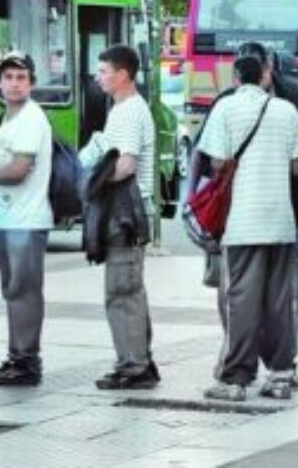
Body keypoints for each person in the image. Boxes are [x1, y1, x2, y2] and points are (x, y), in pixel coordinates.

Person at [200, 52, 298, 402]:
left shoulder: (225, 109)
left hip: (242, 222)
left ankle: (236, 379)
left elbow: (216, 162)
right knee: (280, 300)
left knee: (241, 300)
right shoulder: (287, 111)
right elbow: (296, 168)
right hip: (281, 221)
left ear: (235, 79)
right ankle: (281, 374)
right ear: (264, 76)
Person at [0, 52, 52, 387]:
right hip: (10, 217)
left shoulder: (32, 118)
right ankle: (17, 355)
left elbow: (21, 169)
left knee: (23, 290)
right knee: (13, 289)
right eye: (8, 77)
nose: (14, 83)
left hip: (27, 218)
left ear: (31, 83)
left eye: (21, 77)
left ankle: (26, 360)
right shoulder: (9, 117)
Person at [93, 44, 160, 391]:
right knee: (130, 289)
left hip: (127, 213)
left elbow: (126, 164)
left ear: (122, 75)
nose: (98, 77)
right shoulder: (125, 108)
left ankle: (133, 367)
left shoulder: (128, 111)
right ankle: (140, 361)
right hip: (128, 212)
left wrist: (92, 180)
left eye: (103, 71)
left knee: (121, 291)